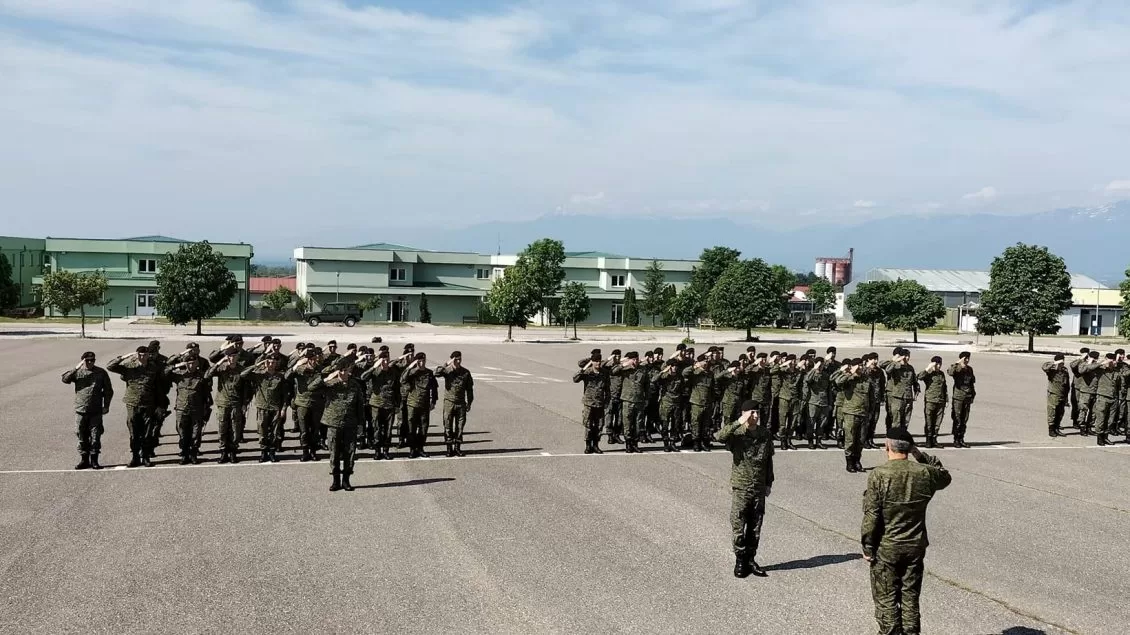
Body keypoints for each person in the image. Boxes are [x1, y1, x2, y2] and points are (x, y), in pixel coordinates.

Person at [862, 427, 951, 635]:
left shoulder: (879, 475)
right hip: (915, 544)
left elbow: (871, 516)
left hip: (887, 546)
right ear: (909, 448)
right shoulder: (925, 473)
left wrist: (867, 545)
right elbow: (944, 476)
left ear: (887, 446)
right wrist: (918, 453)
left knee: (886, 597)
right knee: (910, 595)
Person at [717, 400, 774, 579]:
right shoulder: (738, 434)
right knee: (739, 524)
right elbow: (719, 436)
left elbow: (768, 461)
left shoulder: (765, 434)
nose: (755, 416)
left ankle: (751, 559)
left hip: (758, 487)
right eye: (752, 413)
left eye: (757, 413)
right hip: (742, 487)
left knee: (755, 526)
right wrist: (739, 422)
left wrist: (768, 483)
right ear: (744, 414)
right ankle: (740, 560)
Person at [311, 361, 365, 491]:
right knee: (334, 453)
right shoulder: (331, 384)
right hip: (334, 423)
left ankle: (346, 480)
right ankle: (336, 480)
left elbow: (360, 405)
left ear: (349, 371)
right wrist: (327, 377)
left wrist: (361, 424)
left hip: (350, 424)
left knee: (350, 452)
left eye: (345, 370)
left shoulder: (355, 385)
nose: (342, 373)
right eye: (340, 371)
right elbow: (311, 388)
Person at [106, 346, 158, 468]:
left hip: (148, 404)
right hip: (132, 403)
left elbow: (159, 384)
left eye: (144, 354)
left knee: (147, 432)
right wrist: (124, 357)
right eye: (139, 354)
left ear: (148, 355)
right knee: (134, 432)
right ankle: (135, 457)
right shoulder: (129, 366)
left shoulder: (154, 367)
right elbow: (110, 366)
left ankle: (145, 457)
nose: (142, 357)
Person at [62, 352, 114, 470]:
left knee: (95, 436)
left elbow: (108, 390)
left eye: (92, 360)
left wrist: (106, 406)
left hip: (95, 410)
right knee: (81, 435)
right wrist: (76, 368)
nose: (90, 362)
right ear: (83, 361)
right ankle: (84, 460)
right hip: (81, 409)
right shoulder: (78, 372)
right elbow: (65, 379)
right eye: (87, 360)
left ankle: (94, 460)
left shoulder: (101, 373)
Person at [239, 354, 293, 463]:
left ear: (276, 363)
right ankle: (263, 452)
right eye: (268, 362)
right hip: (262, 407)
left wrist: (283, 409)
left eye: (273, 362)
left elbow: (285, 395)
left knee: (274, 432)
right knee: (262, 431)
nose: (270, 364)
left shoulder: (280, 376)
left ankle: (272, 452)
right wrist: (257, 365)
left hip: (275, 408)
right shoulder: (259, 375)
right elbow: (243, 374)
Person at [165, 351, 211, 465]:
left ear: (197, 364)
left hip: (197, 409)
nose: (191, 365)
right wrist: (177, 364)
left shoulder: (202, 376)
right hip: (181, 409)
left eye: (193, 363)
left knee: (196, 433)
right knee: (182, 432)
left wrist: (206, 408)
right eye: (189, 363)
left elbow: (206, 394)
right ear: (185, 363)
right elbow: (164, 372)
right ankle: (184, 454)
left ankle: (194, 454)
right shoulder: (179, 375)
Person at [359, 349, 399, 460]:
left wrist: (397, 404)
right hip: (376, 404)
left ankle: (386, 451)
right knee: (376, 428)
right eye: (383, 361)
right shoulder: (375, 372)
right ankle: (377, 451)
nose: (385, 363)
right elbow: (363, 377)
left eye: (387, 360)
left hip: (389, 405)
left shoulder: (393, 371)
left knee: (388, 430)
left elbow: (397, 389)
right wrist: (373, 367)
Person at [435, 351, 475, 457]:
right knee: (448, 426)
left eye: (459, 359)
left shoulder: (465, 372)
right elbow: (436, 373)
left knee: (460, 426)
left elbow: (469, 389)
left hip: (461, 403)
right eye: (456, 359)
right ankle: (449, 448)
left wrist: (469, 402)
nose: (458, 361)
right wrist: (447, 363)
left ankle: (457, 448)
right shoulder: (447, 371)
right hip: (449, 402)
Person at [288, 347, 325, 462]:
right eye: (311, 359)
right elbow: (286, 376)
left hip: (317, 404)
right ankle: (305, 452)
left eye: (315, 359)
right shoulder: (300, 369)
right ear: (307, 360)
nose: (314, 361)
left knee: (315, 430)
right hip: (302, 404)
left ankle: (313, 452)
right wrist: (296, 365)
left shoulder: (320, 370)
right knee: (304, 431)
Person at [400, 351, 439, 458]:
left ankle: (420, 448)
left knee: (423, 428)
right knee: (411, 428)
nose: (422, 363)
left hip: (424, 405)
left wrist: (433, 401)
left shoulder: (429, 373)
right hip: (412, 404)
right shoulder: (412, 373)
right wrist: (410, 367)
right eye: (420, 361)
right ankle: (412, 449)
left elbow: (434, 388)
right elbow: (402, 380)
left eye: (423, 361)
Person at [610, 352, 650, 453]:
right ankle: (628, 443)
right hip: (627, 400)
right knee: (627, 422)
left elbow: (647, 385)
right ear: (630, 360)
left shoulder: (643, 369)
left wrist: (647, 398)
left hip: (639, 400)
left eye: (637, 359)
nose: (635, 361)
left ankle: (635, 443)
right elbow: (613, 372)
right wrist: (623, 364)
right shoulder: (624, 369)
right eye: (633, 359)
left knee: (638, 423)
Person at [835, 358, 870, 473]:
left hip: (863, 413)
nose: (861, 367)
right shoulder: (848, 378)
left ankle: (857, 461)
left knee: (860, 440)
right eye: (858, 365)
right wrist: (850, 373)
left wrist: (870, 411)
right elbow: (838, 382)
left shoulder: (866, 379)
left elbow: (871, 397)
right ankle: (849, 463)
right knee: (850, 439)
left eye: (861, 365)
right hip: (851, 413)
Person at [573, 350, 610, 454]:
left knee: (599, 426)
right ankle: (588, 445)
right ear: (592, 362)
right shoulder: (587, 372)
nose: (598, 363)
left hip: (600, 403)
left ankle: (596, 445)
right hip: (589, 403)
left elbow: (608, 389)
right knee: (588, 425)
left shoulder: (604, 373)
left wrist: (607, 401)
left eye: (599, 361)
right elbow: (575, 379)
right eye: (595, 361)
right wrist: (583, 369)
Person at [682, 354, 716, 452]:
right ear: (700, 362)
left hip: (707, 403)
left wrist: (712, 401)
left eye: (707, 361)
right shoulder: (695, 373)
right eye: (704, 361)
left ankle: (704, 442)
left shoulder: (710, 374)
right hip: (696, 402)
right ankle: (696, 442)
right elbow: (684, 373)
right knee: (696, 423)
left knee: (705, 424)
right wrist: (694, 367)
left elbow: (712, 388)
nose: (706, 363)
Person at [880, 348, 919, 431]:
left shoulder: (910, 368)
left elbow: (914, 381)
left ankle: (903, 439)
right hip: (897, 397)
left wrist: (916, 390)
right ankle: (893, 438)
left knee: (906, 420)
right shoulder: (895, 367)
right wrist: (895, 361)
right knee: (895, 419)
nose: (907, 358)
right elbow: (887, 369)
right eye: (905, 356)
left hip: (908, 397)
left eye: (908, 356)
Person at [947, 352, 976, 448]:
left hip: (967, 398)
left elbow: (971, 383)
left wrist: (972, 395)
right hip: (958, 398)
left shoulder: (969, 369)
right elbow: (950, 372)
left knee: (964, 420)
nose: (967, 360)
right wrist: (957, 363)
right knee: (957, 419)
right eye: (965, 358)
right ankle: (956, 439)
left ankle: (961, 438)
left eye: (968, 358)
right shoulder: (957, 368)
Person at [917, 357, 947, 448]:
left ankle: (934, 439)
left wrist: (946, 398)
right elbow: (919, 377)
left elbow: (944, 387)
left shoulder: (941, 374)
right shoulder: (929, 373)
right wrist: (928, 368)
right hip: (930, 400)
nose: (939, 365)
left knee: (938, 422)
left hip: (940, 401)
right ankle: (928, 440)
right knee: (929, 421)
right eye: (937, 364)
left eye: (940, 363)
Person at [1042, 354, 1070, 437]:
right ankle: (1051, 429)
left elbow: (1067, 385)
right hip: (1053, 394)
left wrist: (1066, 398)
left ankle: (1057, 428)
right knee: (1052, 412)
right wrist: (1055, 363)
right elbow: (1044, 367)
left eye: (1063, 360)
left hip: (1062, 394)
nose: (1063, 362)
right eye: (1062, 360)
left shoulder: (1065, 370)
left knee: (1060, 412)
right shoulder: (1052, 370)